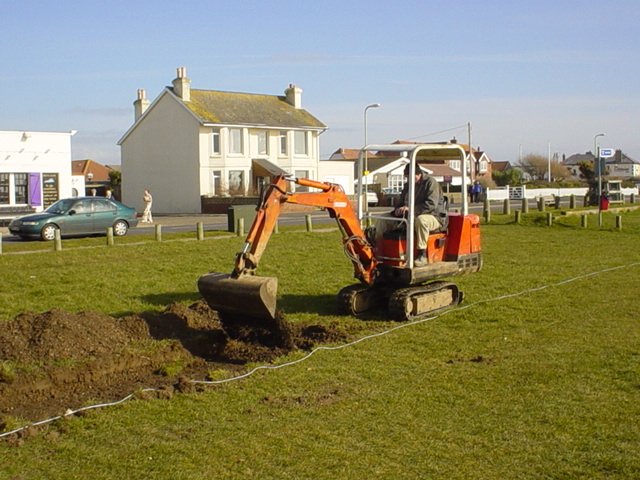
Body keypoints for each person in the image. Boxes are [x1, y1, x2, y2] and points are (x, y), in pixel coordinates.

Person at [377, 163, 448, 267]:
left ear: (418, 174)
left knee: (421, 220)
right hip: (409, 216)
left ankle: (422, 254)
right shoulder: (408, 185)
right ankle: (378, 249)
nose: (408, 179)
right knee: (383, 219)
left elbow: (431, 204)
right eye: (406, 177)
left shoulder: (431, 183)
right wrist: (398, 210)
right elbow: (401, 202)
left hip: (434, 216)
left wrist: (411, 209)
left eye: (409, 176)